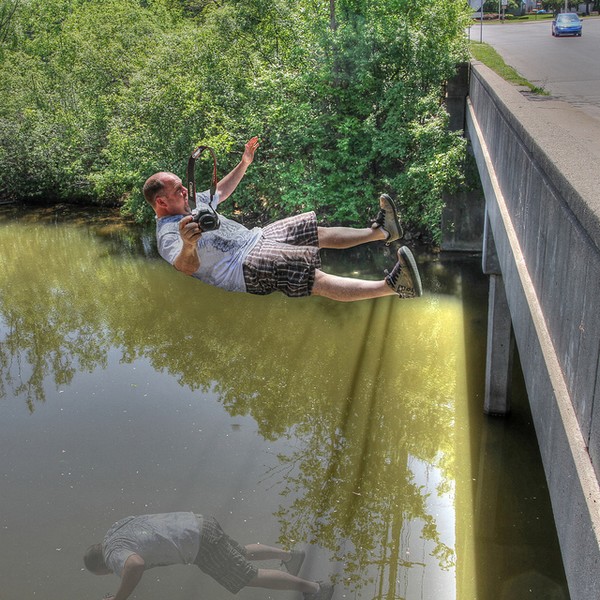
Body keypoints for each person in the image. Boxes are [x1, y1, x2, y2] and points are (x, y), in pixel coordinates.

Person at [143, 137, 422, 302]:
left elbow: (220, 191)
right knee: (313, 277)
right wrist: (188, 245)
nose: (185, 190)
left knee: (315, 232)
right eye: (177, 189)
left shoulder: (190, 200)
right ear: (161, 202)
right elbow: (184, 267)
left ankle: (382, 232)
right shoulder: (168, 234)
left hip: (256, 236)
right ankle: (394, 287)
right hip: (242, 266)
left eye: (183, 185)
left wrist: (244, 163)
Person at [84, 511, 334, 600]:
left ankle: (315, 589)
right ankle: (292, 557)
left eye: (107, 572)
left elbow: (134, 565)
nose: (111, 572)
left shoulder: (113, 553)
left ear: (102, 565)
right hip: (198, 523)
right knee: (240, 553)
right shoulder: (114, 531)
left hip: (198, 544)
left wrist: (118, 598)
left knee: (247, 576)